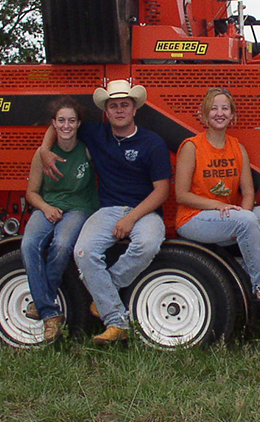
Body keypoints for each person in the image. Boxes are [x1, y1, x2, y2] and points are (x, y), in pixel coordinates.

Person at [40, 79, 171, 346]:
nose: (119, 110)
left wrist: (131, 218)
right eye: (113, 106)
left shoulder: (152, 142)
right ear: (106, 111)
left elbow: (161, 192)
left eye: (125, 105)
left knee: (147, 244)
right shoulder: (95, 133)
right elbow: (61, 125)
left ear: (134, 109)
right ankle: (116, 321)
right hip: (107, 209)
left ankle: (105, 294)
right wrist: (44, 149)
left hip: (144, 211)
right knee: (83, 252)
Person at [174, 88, 260, 297]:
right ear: (204, 115)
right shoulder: (192, 147)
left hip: (228, 216)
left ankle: (245, 273)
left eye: (225, 108)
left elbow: (248, 192)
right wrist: (221, 207)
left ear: (232, 115)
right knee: (245, 221)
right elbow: (181, 195)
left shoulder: (237, 147)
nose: (220, 113)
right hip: (194, 218)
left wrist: (245, 217)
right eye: (214, 108)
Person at [21, 97, 98, 343]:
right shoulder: (42, 154)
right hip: (48, 206)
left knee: (63, 245)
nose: (66, 126)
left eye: (71, 121)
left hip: (79, 207)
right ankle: (50, 312)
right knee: (28, 245)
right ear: (53, 124)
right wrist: (45, 208)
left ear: (78, 124)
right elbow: (31, 192)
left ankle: (42, 302)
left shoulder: (87, 149)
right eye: (61, 121)